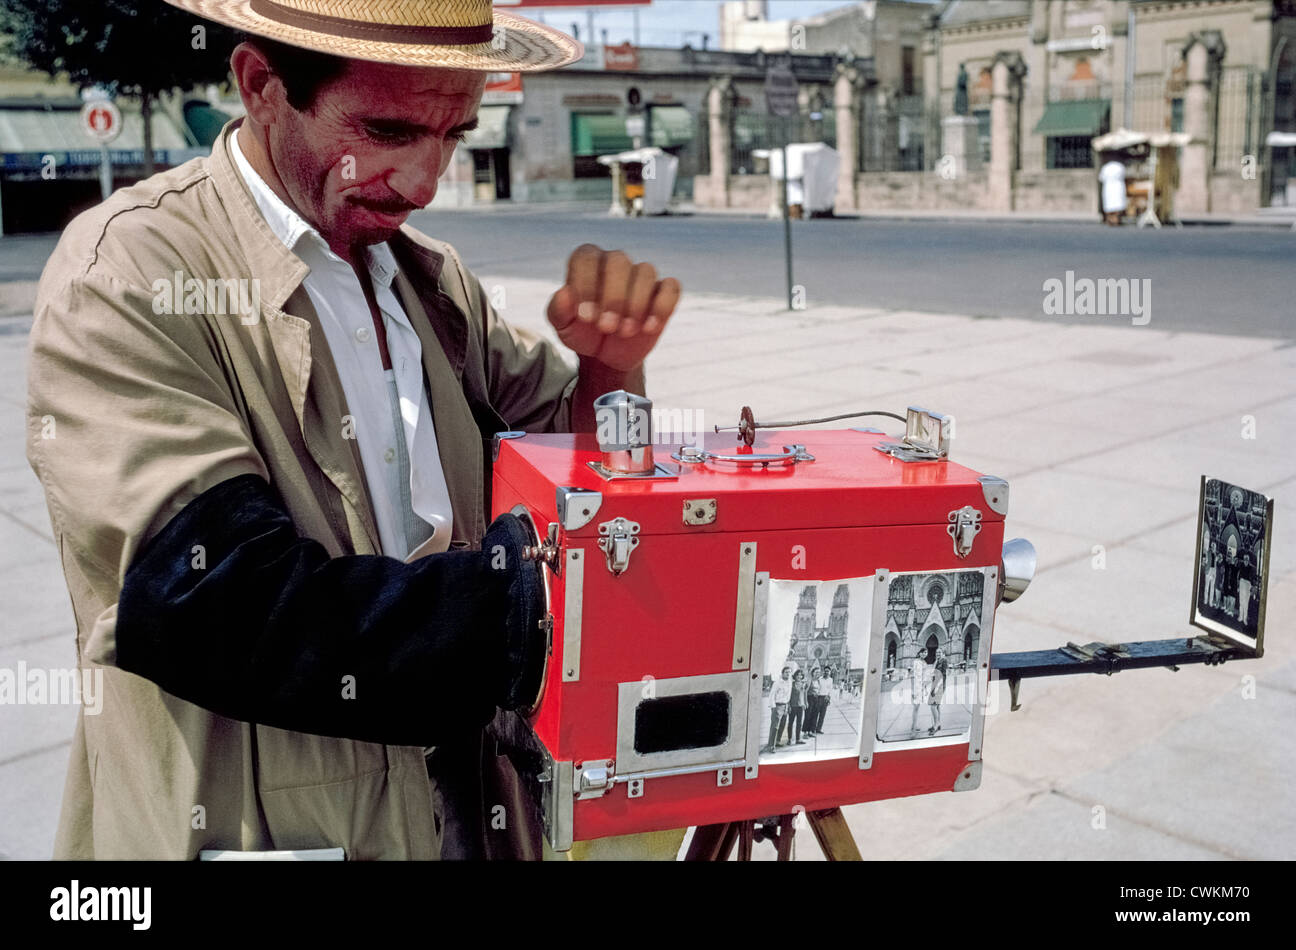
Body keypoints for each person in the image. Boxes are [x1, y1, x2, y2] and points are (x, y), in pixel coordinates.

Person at [26, 0, 682, 860]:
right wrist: (537, 608)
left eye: (453, 135)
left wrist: (609, 367)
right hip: (268, 825)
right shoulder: (131, 271)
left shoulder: (429, 278)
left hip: (465, 808)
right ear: (262, 86)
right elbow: (214, 600)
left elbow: (576, 468)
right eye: (385, 129)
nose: (423, 180)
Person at [763, 667, 793, 753]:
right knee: (775, 727)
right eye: (786, 672)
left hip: (785, 705)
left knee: (782, 725)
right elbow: (772, 695)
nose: (788, 674)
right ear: (782, 673)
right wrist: (773, 707)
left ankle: (777, 741)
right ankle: (771, 746)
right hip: (777, 705)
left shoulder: (789, 682)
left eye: (789, 672)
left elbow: (789, 695)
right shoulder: (777, 683)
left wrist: (788, 705)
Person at [1099, 156, 1127, 226]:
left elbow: (1101, 178)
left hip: (1108, 187)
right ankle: (1115, 219)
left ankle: (1110, 219)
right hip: (1118, 187)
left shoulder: (1106, 167)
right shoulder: (1120, 166)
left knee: (1109, 204)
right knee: (1117, 204)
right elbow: (1124, 175)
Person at [928, 652, 948, 735]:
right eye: (937, 652)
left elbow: (943, 675)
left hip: (939, 685)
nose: (937, 653)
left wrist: (936, 688)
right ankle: (938, 723)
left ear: (943, 653)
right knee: (937, 705)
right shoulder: (937, 661)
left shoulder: (944, 660)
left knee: (933, 706)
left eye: (939, 652)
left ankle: (935, 725)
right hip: (935, 684)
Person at [787, 669, 808, 746]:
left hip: (800, 706)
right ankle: (789, 739)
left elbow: (804, 695)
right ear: (795, 676)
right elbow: (788, 696)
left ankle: (798, 739)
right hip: (793, 706)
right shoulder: (791, 684)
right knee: (790, 723)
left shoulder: (803, 684)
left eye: (801, 675)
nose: (799, 676)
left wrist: (805, 703)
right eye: (798, 675)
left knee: (799, 723)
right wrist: (788, 705)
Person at [910, 655, 926, 736]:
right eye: (923, 652)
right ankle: (913, 731)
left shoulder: (922, 663)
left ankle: (914, 726)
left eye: (926, 652)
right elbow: (912, 677)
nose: (925, 654)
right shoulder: (916, 662)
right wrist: (913, 691)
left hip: (920, 689)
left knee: (917, 708)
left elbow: (923, 678)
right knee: (915, 709)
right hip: (916, 690)